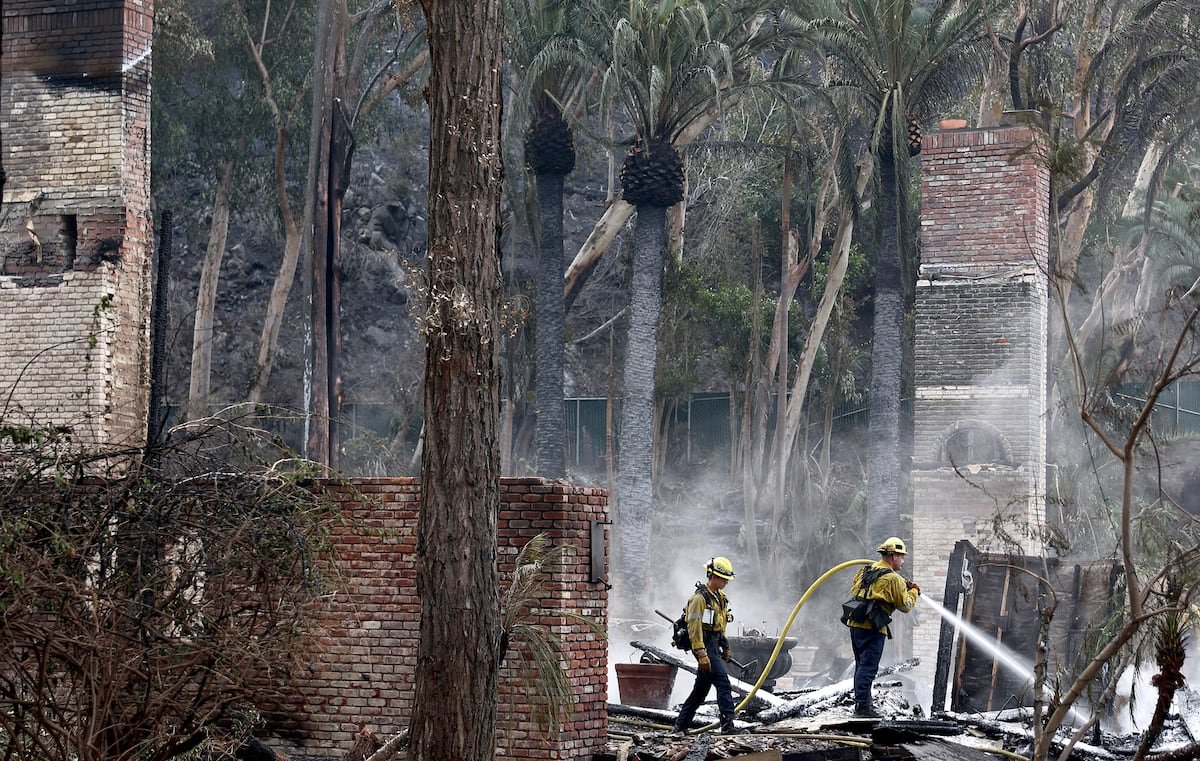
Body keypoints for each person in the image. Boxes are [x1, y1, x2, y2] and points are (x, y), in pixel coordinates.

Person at [843, 536, 920, 718]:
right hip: (873, 628)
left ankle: (864, 703)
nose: (903, 561)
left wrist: (903, 585)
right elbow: (905, 606)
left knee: (861, 666)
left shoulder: (867, 570)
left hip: (856, 624)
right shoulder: (893, 579)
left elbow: (859, 590)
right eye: (901, 557)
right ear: (893, 556)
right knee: (868, 667)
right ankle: (862, 709)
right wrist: (914, 591)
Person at [673, 556, 740, 735]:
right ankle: (728, 726)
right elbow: (694, 628)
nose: (726, 582)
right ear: (712, 576)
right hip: (703, 645)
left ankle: (680, 726)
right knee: (723, 683)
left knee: (700, 691)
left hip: (714, 644)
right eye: (723, 578)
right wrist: (701, 653)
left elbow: (720, 627)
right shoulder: (699, 599)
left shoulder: (721, 598)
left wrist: (725, 646)